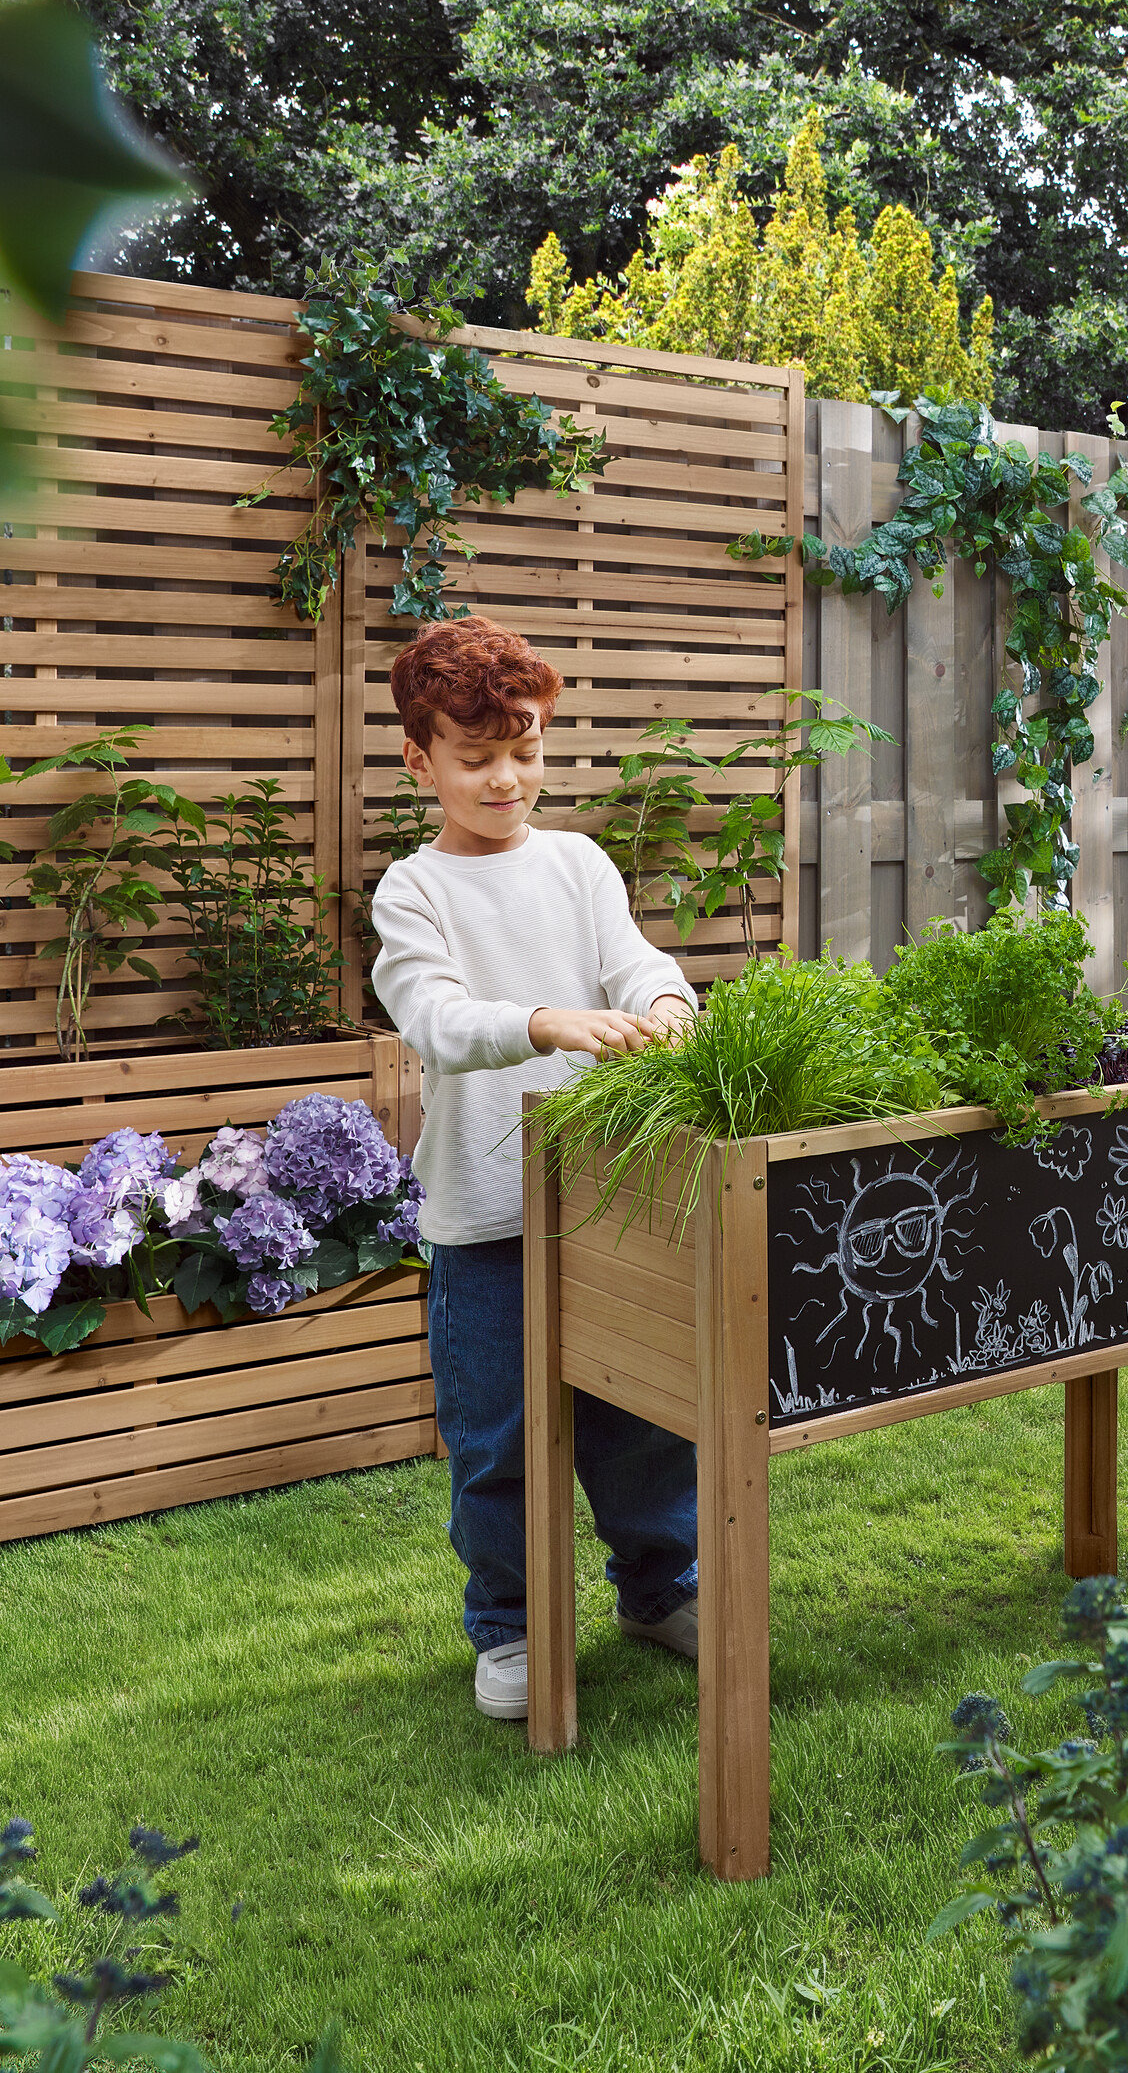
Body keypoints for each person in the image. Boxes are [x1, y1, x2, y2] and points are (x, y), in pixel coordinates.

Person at [371, 616, 703, 1719]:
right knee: (499, 1437)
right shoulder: (414, 892)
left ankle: (662, 1591)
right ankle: (510, 1629)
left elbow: (638, 961)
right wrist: (551, 1023)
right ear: (422, 762)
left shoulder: (579, 863)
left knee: (645, 1419)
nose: (508, 778)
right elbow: (437, 1021)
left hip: (608, 1199)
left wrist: (661, 1000)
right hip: (485, 1215)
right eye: (478, 758)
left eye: (526, 749)